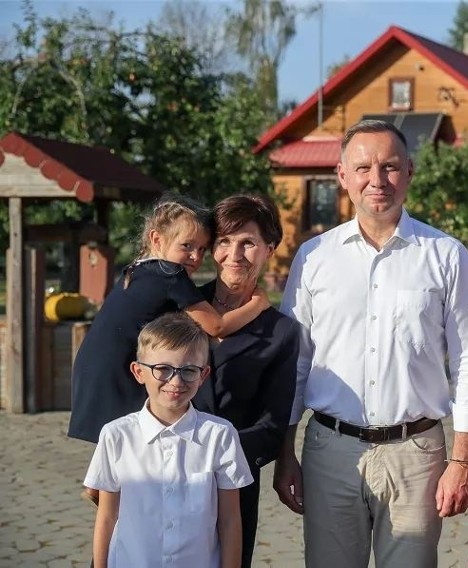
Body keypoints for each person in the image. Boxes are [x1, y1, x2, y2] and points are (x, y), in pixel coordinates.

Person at [273, 119, 468, 568]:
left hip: (417, 455)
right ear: (342, 175)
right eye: (364, 167)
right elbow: (295, 362)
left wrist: (464, 461)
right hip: (330, 451)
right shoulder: (314, 258)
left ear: (409, 171)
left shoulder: (446, 255)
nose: (377, 180)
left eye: (390, 167)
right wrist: (284, 452)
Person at [68, 194, 269, 502]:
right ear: (156, 239)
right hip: (117, 368)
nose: (194, 256)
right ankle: (105, 492)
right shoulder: (169, 273)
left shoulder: (136, 269)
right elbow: (215, 326)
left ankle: (103, 488)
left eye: (202, 249)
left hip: (95, 362)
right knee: (136, 435)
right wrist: (258, 304)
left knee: (123, 435)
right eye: (187, 245)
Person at [84, 312, 254, 568]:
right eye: (162, 369)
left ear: (203, 375)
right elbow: (107, 516)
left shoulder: (220, 435)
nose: (175, 381)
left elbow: (229, 520)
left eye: (188, 370)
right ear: (139, 371)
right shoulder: (115, 435)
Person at [192, 194, 299, 568]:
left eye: (248, 242)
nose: (234, 254)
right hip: (156, 470)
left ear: (269, 248)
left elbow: (272, 425)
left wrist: (210, 448)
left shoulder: (281, 333)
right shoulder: (179, 304)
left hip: (232, 483)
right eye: (224, 241)